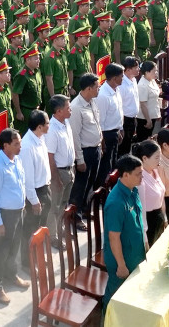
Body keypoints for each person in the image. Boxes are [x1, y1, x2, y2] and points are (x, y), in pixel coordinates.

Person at [0, 127, 28, 305]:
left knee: (14, 247)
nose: (20, 146)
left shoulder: (16, 159)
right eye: (16, 143)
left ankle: (10, 274)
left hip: (18, 212)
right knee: (1, 251)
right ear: (5, 146)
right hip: (5, 215)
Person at [102, 154, 147, 308]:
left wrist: (144, 242)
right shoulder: (116, 202)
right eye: (138, 174)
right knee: (115, 298)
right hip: (122, 260)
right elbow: (114, 238)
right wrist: (121, 265)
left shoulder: (132, 190)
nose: (142, 176)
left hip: (135, 253)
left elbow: (138, 220)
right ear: (126, 175)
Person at [69, 73, 102, 230]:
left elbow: (96, 123)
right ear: (88, 88)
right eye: (96, 87)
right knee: (80, 186)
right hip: (84, 152)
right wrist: (79, 159)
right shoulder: (76, 107)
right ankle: (75, 217)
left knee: (90, 184)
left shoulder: (92, 102)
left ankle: (84, 210)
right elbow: (75, 135)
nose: (99, 89)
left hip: (95, 149)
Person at [18, 110, 51, 269]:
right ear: (39, 127)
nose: (49, 125)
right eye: (47, 123)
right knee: (31, 230)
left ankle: (38, 256)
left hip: (45, 189)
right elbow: (28, 179)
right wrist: (34, 201)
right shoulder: (27, 146)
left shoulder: (40, 138)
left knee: (40, 227)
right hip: (35, 194)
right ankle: (28, 261)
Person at [44, 94, 76, 249]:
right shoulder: (51, 129)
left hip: (70, 170)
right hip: (59, 173)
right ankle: (53, 237)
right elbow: (50, 157)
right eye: (67, 107)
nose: (70, 110)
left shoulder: (66, 122)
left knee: (63, 203)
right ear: (58, 111)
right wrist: (56, 179)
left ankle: (60, 228)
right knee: (55, 207)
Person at [95, 63, 124, 190]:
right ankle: (100, 191)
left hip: (116, 131)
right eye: (121, 76)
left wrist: (120, 129)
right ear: (113, 78)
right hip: (106, 134)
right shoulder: (103, 95)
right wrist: (102, 141)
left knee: (113, 163)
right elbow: (100, 121)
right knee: (105, 166)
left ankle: (110, 188)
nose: (123, 78)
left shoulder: (116, 90)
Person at [133, 140, 166, 246]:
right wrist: (144, 237)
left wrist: (164, 218)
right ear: (144, 158)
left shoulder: (154, 171)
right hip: (149, 222)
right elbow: (140, 209)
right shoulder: (140, 180)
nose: (159, 160)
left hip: (158, 217)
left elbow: (161, 196)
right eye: (156, 157)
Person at [117, 57, 140, 154]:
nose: (139, 69)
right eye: (136, 67)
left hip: (133, 119)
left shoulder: (133, 80)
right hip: (125, 121)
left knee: (129, 145)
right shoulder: (122, 84)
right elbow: (119, 105)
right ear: (128, 69)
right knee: (124, 148)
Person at [135, 61, 161, 142]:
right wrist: (148, 120)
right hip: (145, 118)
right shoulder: (142, 85)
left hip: (152, 115)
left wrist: (158, 113)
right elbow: (143, 104)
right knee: (143, 140)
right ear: (147, 72)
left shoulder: (152, 81)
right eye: (154, 71)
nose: (156, 73)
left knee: (149, 139)